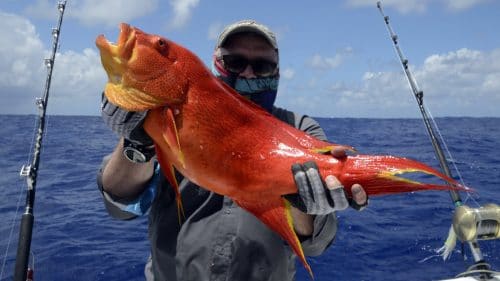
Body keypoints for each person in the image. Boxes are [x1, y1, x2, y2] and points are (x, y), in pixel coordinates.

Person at [97, 19, 368, 281]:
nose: (248, 73)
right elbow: (120, 207)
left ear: (277, 73)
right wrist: (137, 143)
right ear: (216, 63)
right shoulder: (159, 115)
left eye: (261, 66)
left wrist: (304, 204)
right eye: (235, 62)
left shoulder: (300, 129)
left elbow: (317, 243)